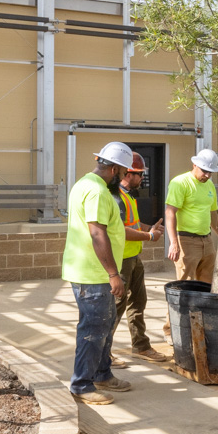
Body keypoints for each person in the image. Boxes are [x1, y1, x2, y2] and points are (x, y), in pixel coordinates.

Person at [61, 141, 135, 405]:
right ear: (114, 169)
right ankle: (82, 385)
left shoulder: (84, 183)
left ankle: (102, 373)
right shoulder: (97, 192)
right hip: (93, 274)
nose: (126, 177)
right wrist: (113, 273)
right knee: (93, 329)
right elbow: (97, 232)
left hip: (89, 271)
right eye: (125, 172)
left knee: (104, 324)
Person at [113, 152, 168, 362]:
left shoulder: (128, 196)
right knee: (116, 306)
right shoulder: (117, 197)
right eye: (139, 174)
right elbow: (121, 231)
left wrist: (151, 228)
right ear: (128, 173)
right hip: (121, 261)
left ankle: (141, 345)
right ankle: (103, 354)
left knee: (138, 302)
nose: (142, 178)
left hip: (134, 258)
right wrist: (149, 235)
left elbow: (133, 225)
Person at [165, 148, 218, 282]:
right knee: (186, 283)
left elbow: (213, 213)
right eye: (205, 171)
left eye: (211, 172)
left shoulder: (210, 185)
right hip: (186, 240)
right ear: (194, 165)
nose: (207, 175)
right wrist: (173, 243)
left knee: (207, 283)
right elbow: (170, 212)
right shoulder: (180, 182)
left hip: (207, 241)